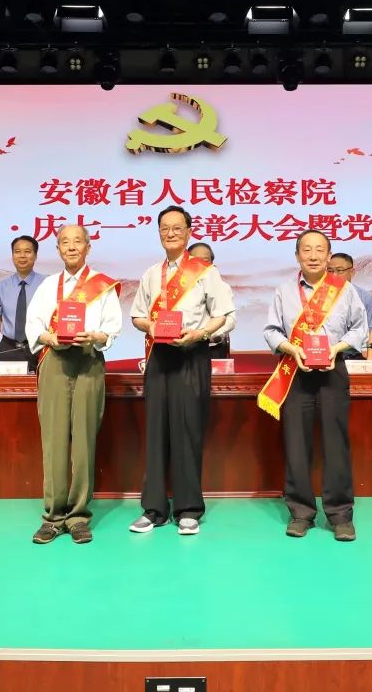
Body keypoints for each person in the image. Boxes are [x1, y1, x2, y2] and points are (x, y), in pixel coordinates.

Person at [129, 206, 234, 536]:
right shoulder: (151, 274)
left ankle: (188, 509)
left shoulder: (205, 272)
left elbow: (224, 315)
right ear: (159, 233)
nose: (171, 233)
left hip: (192, 355)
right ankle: (154, 509)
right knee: (156, 433)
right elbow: (137, 316)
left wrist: (200, 333)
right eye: (165, 228)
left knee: (188, 431)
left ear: (189, 232)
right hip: (159, 357)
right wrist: (150, 326)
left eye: (177, 227)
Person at [261, 230, 368, 542]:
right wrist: (291, 349)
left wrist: (336, 349)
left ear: (328, 255)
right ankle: (301, 513)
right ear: (297, 256)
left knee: (336, 444)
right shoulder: (284, 292)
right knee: (296, 444)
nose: (313, 255)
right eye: (306, 250)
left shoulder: (345, 290)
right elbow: (271, 330)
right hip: (295, 373)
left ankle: (340, 515)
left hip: (333, 371)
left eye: (319, 250)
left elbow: (360, 328)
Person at [24, 225, 122, 544]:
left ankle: (78, 515)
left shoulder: (103, 286)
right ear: (58, 249)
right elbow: (33, 325)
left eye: (77, 241)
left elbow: (111, 328)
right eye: (64, 242)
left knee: (84, 439)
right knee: (53, 439)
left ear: (88, 247)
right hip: (55, 360)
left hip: (89, 360)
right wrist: (49, 337)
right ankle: (53, 516)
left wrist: (96, 336)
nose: (71, 247)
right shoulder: (47, 286)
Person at [0, 236, 46, 373]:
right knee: (6, 386)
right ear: (12, 256)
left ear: (35, 256)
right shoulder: (2, 286)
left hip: (39, 346)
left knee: (43, 386)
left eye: (27, 251)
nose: (22, 256)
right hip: (8, 348)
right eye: (17, 252)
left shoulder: (48, 283)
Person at [327, 252, 372, 360]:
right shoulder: (318, 296)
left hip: (352, 357)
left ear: (352, 272)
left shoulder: (364, 297)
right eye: (330, 271)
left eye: (339, 270)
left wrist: (370, 361)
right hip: (325, 356)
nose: (334, 275)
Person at [188, 242, 236, 359]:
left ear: (212, 263)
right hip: (182, 347)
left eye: (205, 261)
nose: (200, 264)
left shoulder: (222, 287)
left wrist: (204, 335)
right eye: (195, 260)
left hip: (211, 348)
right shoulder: (178, 290)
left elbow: (230, 320)